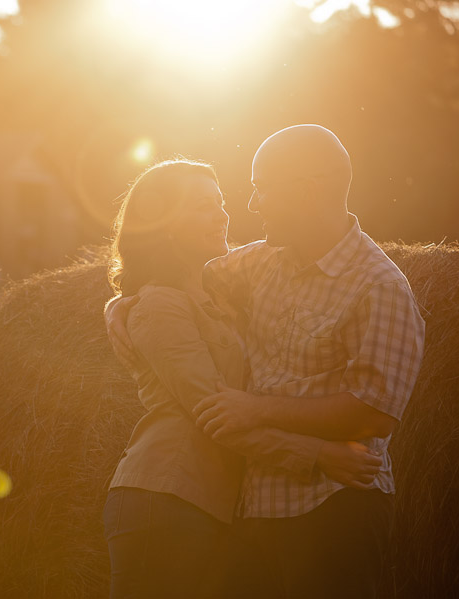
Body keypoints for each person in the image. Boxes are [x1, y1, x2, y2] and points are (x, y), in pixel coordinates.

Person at [106, 125, 426, 598]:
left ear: (307, 190)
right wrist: (124, 303)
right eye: (207, 204)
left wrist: (257, 409)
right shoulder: (254, 266)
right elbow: (174, 284)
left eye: (260, 187)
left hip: (330, 504)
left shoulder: (378, 286)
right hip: (226, 505)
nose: (247, 206)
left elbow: (373, 411)